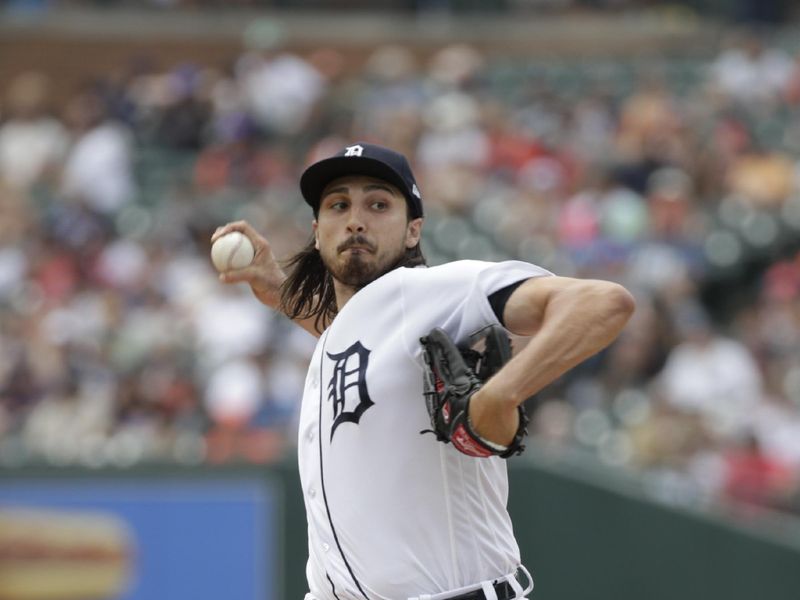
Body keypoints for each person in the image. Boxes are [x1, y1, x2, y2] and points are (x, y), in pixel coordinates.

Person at [213, 142, 635, 600]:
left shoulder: (429, 291)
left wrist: (501, 395)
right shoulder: (353, 330)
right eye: (339, 205)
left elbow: (601, 303)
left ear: (414, 231)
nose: (356, 219)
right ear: (317, 232)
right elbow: (363, 339)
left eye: (378, 204)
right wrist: (278, 289)